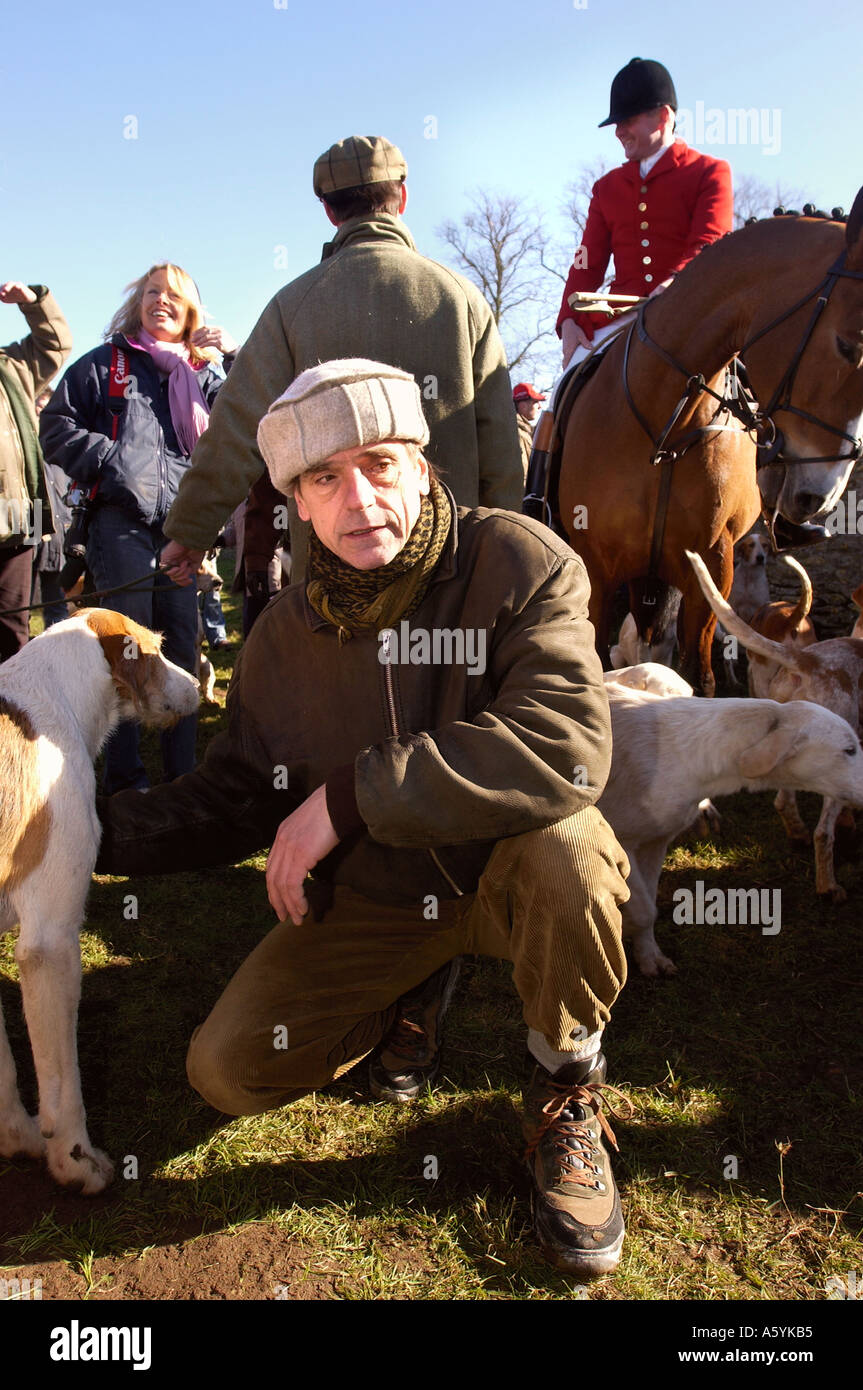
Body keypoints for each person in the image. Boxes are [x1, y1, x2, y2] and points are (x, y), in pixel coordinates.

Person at [96, 358, 631, 1278]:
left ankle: (564, 1085)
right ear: (297, 503)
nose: (358, 498)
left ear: (423, 465)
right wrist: (82, 831)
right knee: (226, 1071)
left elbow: (565, 742)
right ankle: (408, 992)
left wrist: (349, 796)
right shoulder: (279, 633)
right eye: (322, 477)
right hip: (379, 901)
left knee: (571, 855)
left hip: (511, 877)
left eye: (379, 463)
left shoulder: (517, 558)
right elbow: (234, 794)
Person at [158, 134, 522, 590]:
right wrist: (508, 558)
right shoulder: (461, 296)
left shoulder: (291, 306)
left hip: (332, 578)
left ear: (330, 212)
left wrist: (190, 532)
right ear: (403, 198)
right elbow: (500, 448)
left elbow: (236, 426)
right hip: (451, 570)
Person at [39, 264, 237, 790]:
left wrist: (235, 357)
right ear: (138, 302)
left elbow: (253, 419)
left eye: (174, 295)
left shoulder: (205, 373)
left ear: (191, 311)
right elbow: (55, 425)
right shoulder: (106, 364)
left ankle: (183, 778)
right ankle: (125, 780)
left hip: (186, 531)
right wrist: (114, 459)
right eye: (152, 292)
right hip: (118, 525)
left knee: (181, 647)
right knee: (127, 649)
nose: (161, 301)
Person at [556, 58, 733, 373]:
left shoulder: (709, 172)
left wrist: (675, 283)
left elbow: (710, 242)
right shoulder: (606, 188)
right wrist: (568, 319)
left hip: (691, 313)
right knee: (561, 394)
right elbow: (586, 259)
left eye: (627, 121)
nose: (619, 132)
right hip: (619, 320)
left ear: (663, 117)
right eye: (617, 124)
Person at [0, 281, 72, 660]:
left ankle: (12, 712)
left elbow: (55, 346)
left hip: (15, 516)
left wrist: (34, 303)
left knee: (14, 626)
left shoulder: (11, 367)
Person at [512, 382, 546, 481]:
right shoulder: (517, 434)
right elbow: (521, 477)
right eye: (536, 402)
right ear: (523, 406)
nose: (540, 407)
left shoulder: (522, 431)